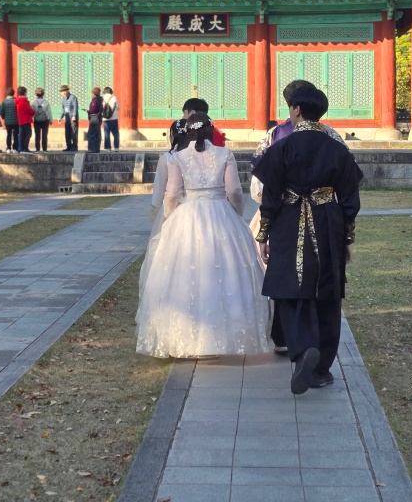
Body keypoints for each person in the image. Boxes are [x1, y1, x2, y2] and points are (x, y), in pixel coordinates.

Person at [252, 86, 363, 395]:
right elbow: (351, 200)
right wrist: (348, 238)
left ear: (297, 110)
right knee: (327, 292)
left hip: (288, 222)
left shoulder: (282, 148)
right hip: (329, 222)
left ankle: (302, 350)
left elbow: (270, 198)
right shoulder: (338, 149)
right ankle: (322, 369)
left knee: (290, 288)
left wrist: (263, 234)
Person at [136, 113, 271, 358]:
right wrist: (235, 213)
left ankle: (187, 338)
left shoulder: (177, 157)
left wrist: (170, 217)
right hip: (220, 211)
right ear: (211, 131)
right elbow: (233, 190)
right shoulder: (224, 154)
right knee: (224, 274)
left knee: (186, 275)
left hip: (188, 213)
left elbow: (173, 192)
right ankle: (223, 338)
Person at [138, 119, 189, 300]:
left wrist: (157, 210)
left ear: (173, 135)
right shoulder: (196, 156)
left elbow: (160, 188)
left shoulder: (168, 158)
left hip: (172, 209)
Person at [59, 85, 79, 152]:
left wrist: (74, 116)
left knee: (73, 132)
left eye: (65, 91)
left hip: (72, 117)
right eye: (62, 91)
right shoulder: (63, 99)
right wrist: (60, 117)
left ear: (68, 90)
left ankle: (74, 146)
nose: (64, 92)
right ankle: (69, 146)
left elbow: (75, 108)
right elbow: (63, 109)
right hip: (67, 117)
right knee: (67, 132)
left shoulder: (73, 97)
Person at [15, 86, 34, 153]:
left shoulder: (17, 100)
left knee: (22, 134)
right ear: (24, 92)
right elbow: (27, 109)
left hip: (20, 119)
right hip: (25, 119)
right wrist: (33, 111)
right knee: (28, 134)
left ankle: (21, 148)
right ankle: (25, 148)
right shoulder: (23, 100)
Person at [0, 87, 18, 153]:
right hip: (16, 120)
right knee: (15, 134)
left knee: (9, 134)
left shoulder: (4, 102)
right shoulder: (16, 101)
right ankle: (15, 148)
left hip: (7, 121)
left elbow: (1, 112)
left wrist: (4, 117)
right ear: (13, 93)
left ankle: (8, 148)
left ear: (6, 93)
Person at [102, 86, 120, 151]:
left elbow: (101, 108)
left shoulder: (102, 98)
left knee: (106, 133)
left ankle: (108, 148)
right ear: (111, 91)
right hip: (114, 118)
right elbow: (118, 107)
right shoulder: (114, 97)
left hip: (105, 119)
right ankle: (116, 147)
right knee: (115, 133)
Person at [86, 87, 103, 152]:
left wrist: (88, 111)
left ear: (94, 93)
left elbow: (93, 110)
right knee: (97, 134)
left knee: (91, 134)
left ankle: (91, 149)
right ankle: (97, 149)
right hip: (99, 118)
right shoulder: (101, 99)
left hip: (94, 119)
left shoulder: (95, 100)